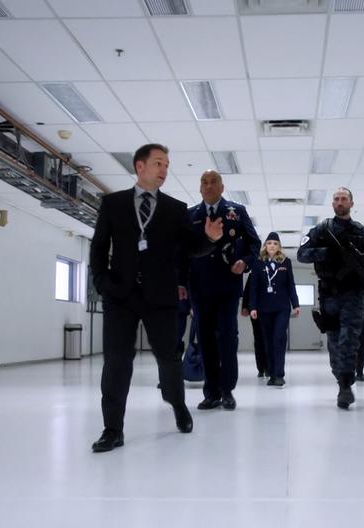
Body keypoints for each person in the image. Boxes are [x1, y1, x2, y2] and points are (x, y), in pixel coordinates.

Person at [89, 143, 223, 452]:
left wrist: (209, 239)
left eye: (166, 165)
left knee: (168, 358)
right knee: (117, 362)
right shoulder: (113, 204)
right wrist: (101, 281)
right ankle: (112, 429)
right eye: (159, 163)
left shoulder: (175, 209)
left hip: (159, 296)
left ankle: (177, 404)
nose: (165, 170)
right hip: (120, 295)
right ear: (140, 166)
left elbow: (192, 246)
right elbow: (98, 248)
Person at [298, 187, 364, 409]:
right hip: (329, 295)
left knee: (349, 340)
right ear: (332, 204)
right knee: (334, 342)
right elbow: (302, 254)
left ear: (352, 204)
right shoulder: (321, 230)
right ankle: (341, 378)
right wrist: (326, 253)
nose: (340, 202)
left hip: (354, 295)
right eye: (336, 199)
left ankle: (346, 385)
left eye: (344, 199)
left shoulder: (362, 233)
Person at [186, 170, 260, 411]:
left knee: (228, 338)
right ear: (200, 188)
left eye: (213, 182)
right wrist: (179, 283)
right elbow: (182, 252)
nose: (208, 186)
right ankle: (211, 392)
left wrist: (246, 262)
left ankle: (227, 390)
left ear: (222, 186)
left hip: (228, 285)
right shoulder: (191, 215)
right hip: (199, 287)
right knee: (205, 339)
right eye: (203, 182)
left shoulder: (236, 212)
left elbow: (254, 244)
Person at [248, 232, 301, 387]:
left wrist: (296, 304)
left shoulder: (286, 262)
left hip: (282, 308)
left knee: (279, 338)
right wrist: (252, 307)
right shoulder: (258, 264)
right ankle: (271, 373)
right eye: (269, 243)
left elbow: (291, 284)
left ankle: (279, 374)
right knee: (267, 341)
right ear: (265, 246)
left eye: (275, 243)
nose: (272, 245)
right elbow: (254, 288)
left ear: (279, 247)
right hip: (264, 308)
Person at [240, 276, 268, 378]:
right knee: (259, 339)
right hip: (255, 310)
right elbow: (247, 290)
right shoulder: (254, 273)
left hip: (269, 309)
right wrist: (245, 307)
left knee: (267, 339)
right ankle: (261, 368)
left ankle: (267, 367)